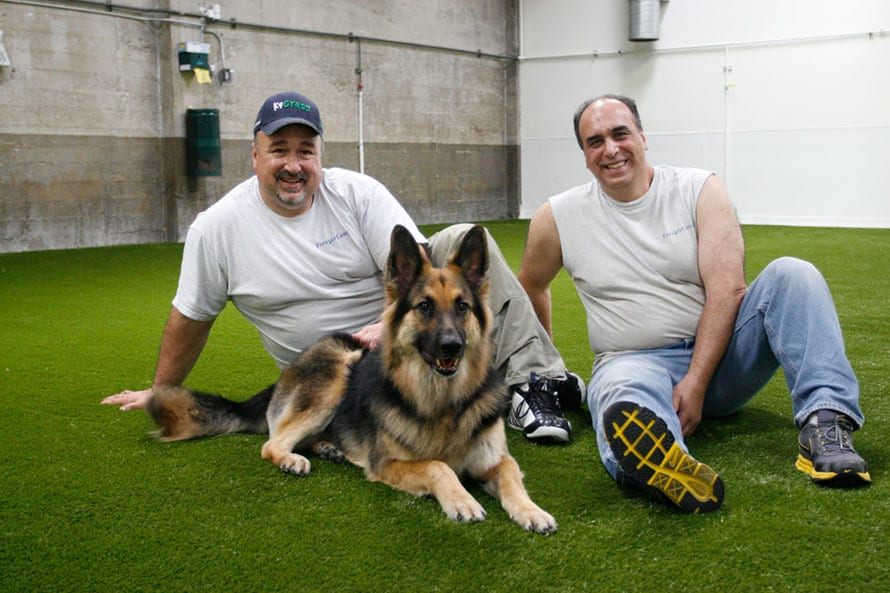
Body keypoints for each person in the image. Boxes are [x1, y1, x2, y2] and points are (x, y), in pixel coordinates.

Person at [101, 91, 583, 443]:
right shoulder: (217, 228)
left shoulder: (357, 193)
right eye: (279, 149)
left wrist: (384, 325)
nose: (294, 164)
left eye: (305, 151)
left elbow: (417, 269)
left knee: (460, 239)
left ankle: (537, 382)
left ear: (320, 156)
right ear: (254, 155)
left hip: (402, 335)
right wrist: (161, 390)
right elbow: (191, 319)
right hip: (330, 368)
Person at [518, 93, 871, 512]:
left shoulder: (698, 188)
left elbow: (728, 290)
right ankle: (662, 460)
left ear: (642, 137)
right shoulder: (558, 215)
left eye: (620, 134)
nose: (610, 150)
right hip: (631, 361)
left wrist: (698, 382)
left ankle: (825, 424)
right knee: (619, 391)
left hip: (722, 362)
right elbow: (530, 287)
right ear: (584, 155)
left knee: (793, 274)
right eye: (595, 141)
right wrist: (546, 368)